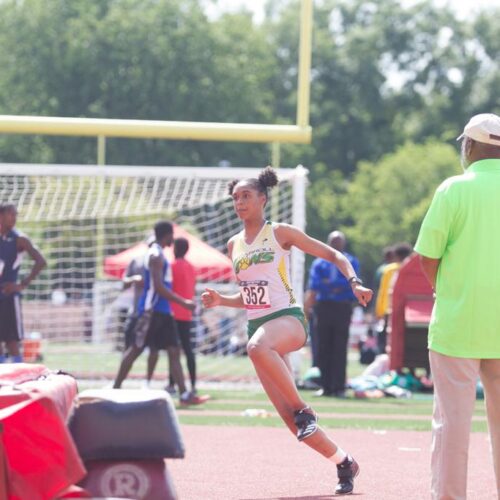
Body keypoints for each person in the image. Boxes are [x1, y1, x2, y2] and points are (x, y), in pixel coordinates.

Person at [201, 167, 373, 496]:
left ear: (263, 199)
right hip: (261, 330)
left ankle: (305, 408)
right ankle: (344, 462)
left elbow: (333, 254)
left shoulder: (280, 232)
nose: (240, 202)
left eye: (246, 196)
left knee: (256, 349)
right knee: (294, 425)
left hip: (289, 322)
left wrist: (354, 281)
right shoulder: (233, 244)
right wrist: (221, 299)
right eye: (236, 197)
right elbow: (252, 296)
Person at [415, 113, 500, 499]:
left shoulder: (453, 189)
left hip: (457, 325)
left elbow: (427, 257)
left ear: (468, 146)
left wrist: (445, 291)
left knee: (452, 427)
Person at [112, 221, 205, 406]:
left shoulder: (160, 254)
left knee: (174, 351)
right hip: (152, 311)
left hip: (163, 311)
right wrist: (183, 302)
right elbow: (159, 287)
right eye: (172, 235)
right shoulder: (155, 255)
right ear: (168, 235)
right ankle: (115, 388)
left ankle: (185, 395)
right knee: (136, 349)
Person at [304, 231, 360, 398]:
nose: (336, 245)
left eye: (339, 241)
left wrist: (333, 284)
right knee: (323, 347)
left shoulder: (351, 262)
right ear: (328, 243)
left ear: (344, 244)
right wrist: (337, 285)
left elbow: (351, 281)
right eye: (333, 241)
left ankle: (339, 386)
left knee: (340, 347)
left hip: (343, 307)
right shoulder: (319, 263)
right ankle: (326, 386)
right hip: (324, 307)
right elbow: (316, 284)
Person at [0, 203, 46, 363]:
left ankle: (18, 374)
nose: (14, 218)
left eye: (15, 215)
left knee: (12, 340)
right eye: (10, 214)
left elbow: (40, 261)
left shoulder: (19, 239)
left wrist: (22, 284)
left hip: (9, 296)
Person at [166, 237, 198, 395]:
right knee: (188, 350)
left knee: (173, 351)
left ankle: (172, 385)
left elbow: (168, 289)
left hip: (173, 313)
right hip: (187, 314)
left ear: (176, 249)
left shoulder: (171, 266)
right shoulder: (192, 268)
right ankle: (193, 385)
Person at [373, 242, 412, 354]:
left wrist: (378, 311)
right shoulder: (411, 268)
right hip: (407, 311)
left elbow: (383, 292)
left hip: (388, 310)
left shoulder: (389, 270)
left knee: (388, 341)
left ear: (395, 255)